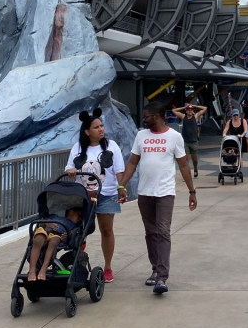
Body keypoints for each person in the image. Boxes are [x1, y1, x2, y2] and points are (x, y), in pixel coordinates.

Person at [120, 102, 197, 295]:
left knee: (163, 231)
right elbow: (132, 162)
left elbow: (183, 165)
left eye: (146, 116)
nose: (143, 119)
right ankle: (155, 269)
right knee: (150, 232)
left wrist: (192, 191)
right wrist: (122, 185)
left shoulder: (174, 137)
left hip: (165, 193)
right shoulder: (141, 136)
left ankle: (162, 277)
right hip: (144, 192)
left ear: (157, 116)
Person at [65, 109, 127, 283]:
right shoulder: (77, 148)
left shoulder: (111, 146)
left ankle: (107, 267)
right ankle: (77, 260)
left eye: (101, 126)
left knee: (106, 230)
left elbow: (119, 169)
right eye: (96, 127)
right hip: (83, 196)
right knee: (79, 229)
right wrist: (71, 171)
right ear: (87, 131)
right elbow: (69, 167)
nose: (101, 129)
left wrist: (121, 187)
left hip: (106, 194)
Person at [26, 205, 82, 281]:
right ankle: (32, 270)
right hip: (45, 230)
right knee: (37, 241)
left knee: (53, 242)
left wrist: (68, 235)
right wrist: (47, 223)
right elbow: (41, 223)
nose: (80, 218)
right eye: (79, 215)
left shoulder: (75, 226)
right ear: (71, 212)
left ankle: (43, 269)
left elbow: (73, 234)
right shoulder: (55, 216)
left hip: (57, 235)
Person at [171, 102, 207, 177]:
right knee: (186, 159)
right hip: (185, 141)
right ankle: (187, 174)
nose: (190, 111)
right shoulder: (183, 116)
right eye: (188, 110)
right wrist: (184, 107)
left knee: (194, 159)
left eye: (191, 110)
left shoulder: (195, 116)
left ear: (193, 110)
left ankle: (195, 169)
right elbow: (174, 110)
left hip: (194, 141)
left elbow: (205, 108)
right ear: (186, 111)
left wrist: (194, 105)